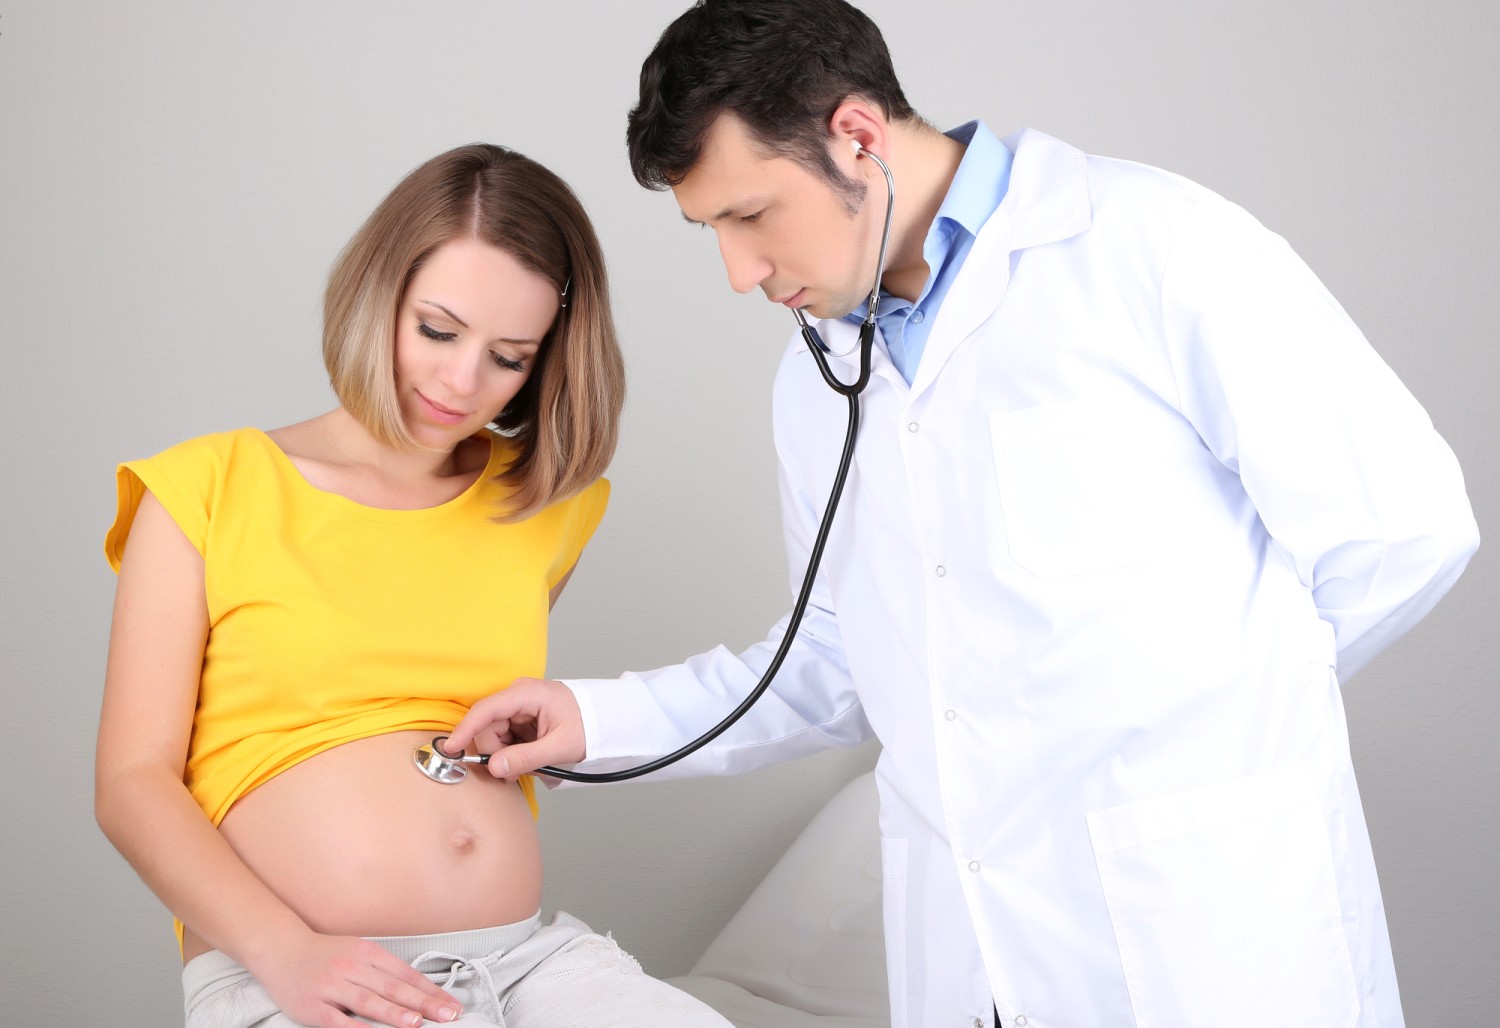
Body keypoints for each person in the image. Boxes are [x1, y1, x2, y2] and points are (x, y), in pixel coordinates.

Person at [447, 2, 1481, 1025]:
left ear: (857, 137)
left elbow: (1405, 528)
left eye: (750, 214)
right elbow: (838, 657)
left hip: (1207, 932)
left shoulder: (1150, 244)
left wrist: (1212, 752)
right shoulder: (819, 383)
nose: (739, 271)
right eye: (710, 228)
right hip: (971, 956)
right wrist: (598, 721)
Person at [96, 143, 731, 1028]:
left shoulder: (545, 506)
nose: (461, 383)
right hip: (293, 972)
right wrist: (284, 952)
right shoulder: (204, 490)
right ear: (378, 294)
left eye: (509, 356)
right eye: (437, 331)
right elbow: (131, 782)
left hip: (526, 963)